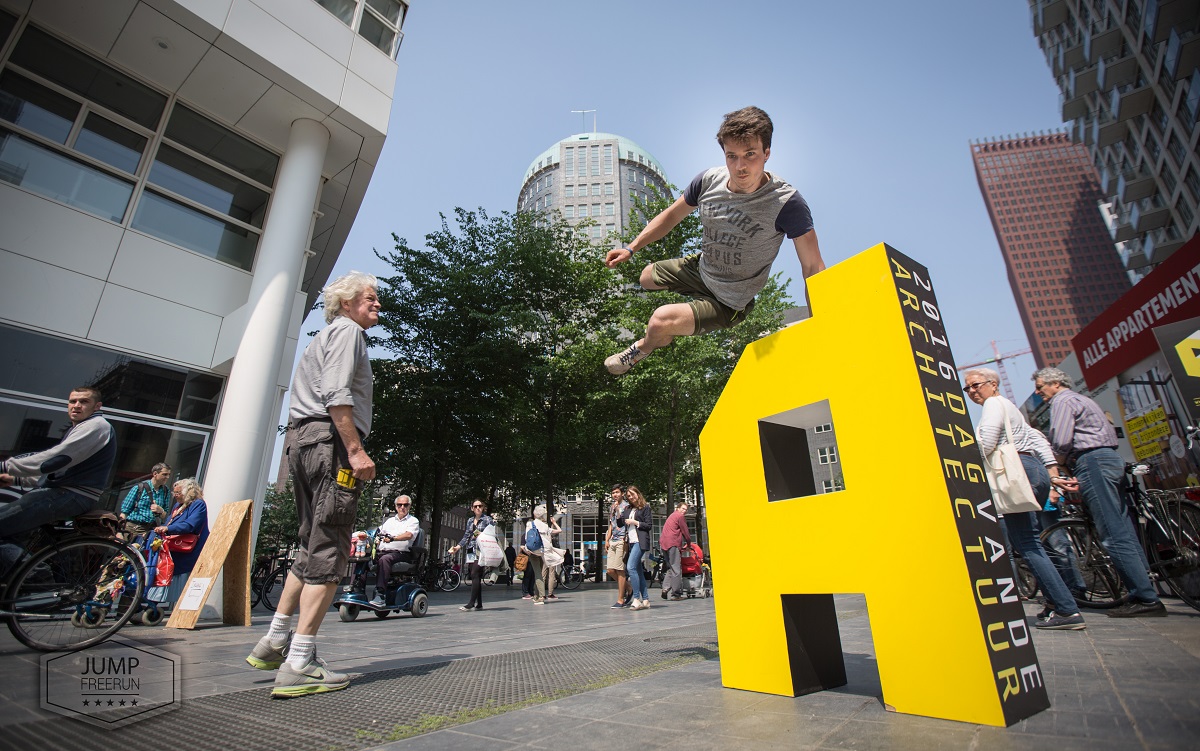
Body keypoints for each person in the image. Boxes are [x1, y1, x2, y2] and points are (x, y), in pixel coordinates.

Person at [603, 106, 826, 375]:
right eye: (732, 156)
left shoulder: (787, 203)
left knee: (660, 321)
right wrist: (631, 248)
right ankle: (670, 326)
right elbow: (671, 216)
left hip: (729, 301)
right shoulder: (708, 181)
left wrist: (821, 321)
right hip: (702, 268)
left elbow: (812, 267)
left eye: (750, 155)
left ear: (767, 153)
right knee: (645, 277)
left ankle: (643, 348)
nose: (740, 166)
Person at [245, 271, 380, 697]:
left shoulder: (318, 340)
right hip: (331, 444)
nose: (377, 305)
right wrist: (355, 450)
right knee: (332, 545)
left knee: (309, 542)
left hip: (301, 442)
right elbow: (338, 394)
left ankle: (276, 639)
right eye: (370, 299)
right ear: (347, 303)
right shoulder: (348, 334)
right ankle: (299, 662)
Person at [1033, 367, 1166, 618]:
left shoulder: (1062, 401)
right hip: (1109, 459)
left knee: (1112, 533)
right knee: (1124, 528)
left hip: (1091, 462)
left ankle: (1145, 598)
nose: (1039, 392)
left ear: (1055, 383)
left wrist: (1056, 465)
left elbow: (1061, 441)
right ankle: (1146, 590)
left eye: (1041, 386)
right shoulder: (1083, 399)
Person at [964, 369, 1085, 630]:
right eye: (968, 389)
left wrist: (962, 457)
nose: (972, 391)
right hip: (1032, 469)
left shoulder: (994, 404)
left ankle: (1067, 609)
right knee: (1033, 540)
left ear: (992, 384)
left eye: (975, 385)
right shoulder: (1010, 407)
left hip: (1017, 471)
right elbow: (1036, 438)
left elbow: (986, 444)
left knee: (1026, 543)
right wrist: (1051, 472)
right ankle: (1054, 605)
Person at [0, 387, 116, 541]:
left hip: (70, 495)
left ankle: (37, 567)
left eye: (84, 401)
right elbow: (61, 472)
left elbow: (55, 459)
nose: (76, 405)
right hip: (67, 492)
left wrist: (5, 466)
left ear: (97, 406)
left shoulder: (97, 425)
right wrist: (15, 479)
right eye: (72, 401)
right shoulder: (81, 427)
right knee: (9, 535)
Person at [149, 477, 210, 608]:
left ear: (189, 492)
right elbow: (170, 521)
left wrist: (168, 529)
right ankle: (153, 603)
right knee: (162, 570)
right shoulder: (178, 505)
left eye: (178, 493)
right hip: (175, 546)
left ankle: (158, 605)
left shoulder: (198, 504)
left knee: (177, 574)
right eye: (174, 493)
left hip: (188, 548)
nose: (175, 496)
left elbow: (190, 525)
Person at [370, 494, 420, 606]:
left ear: (409, 506)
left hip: (401, 554)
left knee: (385, 559)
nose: (402, 507)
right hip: (382, 551)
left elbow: (408, 535)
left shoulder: (413, 521)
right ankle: (356, 588)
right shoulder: (389, 521)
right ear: (396, 506)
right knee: (361, 559)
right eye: (399, 505)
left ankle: (380, 595)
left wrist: (393, 538)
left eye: (405, 505)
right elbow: (379, 533)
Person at [449, 499, 494, 611]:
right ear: (472, 508)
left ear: (483, 507)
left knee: (474, 573)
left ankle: (471, 603)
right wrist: (457, 547)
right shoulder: (470, 520)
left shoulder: (488, 519)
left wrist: (478, 534)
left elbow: (492, 534)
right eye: (475, 506)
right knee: (475, 576)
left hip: (482, 550)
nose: (478, 508)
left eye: (480, 506)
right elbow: (466, 536)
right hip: (471, 550)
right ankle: (479, 604)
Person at [119, 462, 171, 541]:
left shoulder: (166, 491)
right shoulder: (139, 488)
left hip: (152, 531)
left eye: (169, 475)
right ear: (155, 474)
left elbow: (164, 515)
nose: (167, 477)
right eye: (164, 474)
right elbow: (125, 512)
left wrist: (161, 511)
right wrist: (119, 531)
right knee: (127, 553)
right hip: (134, 529)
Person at [522, 504, 562, 605]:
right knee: (538, 573)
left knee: (538, 574)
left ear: (535, 514)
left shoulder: (530, 524)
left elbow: (527, 538)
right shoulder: (545, 526)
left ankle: (541, 597)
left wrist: (526, 549)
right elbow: (559, 531)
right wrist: (554, 522)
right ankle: (536, 596)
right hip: (542, 551)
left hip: (532, 551)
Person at [623, 485, 654, 610]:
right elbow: (621, 522)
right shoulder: (628, 509)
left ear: (637, 493)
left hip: (640, 542)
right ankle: (645, 599)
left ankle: (636, 599)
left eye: (632, 494)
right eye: (628, 496)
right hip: (631, 542)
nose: (631, 497)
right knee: (638, 571)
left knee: (630, 567)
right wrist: (617, 511)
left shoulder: (645, 507)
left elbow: (649, 525)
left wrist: (635, 522)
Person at [603, 484, 632, 608]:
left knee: (620, 569)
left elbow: (623, 523)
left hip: (622, 539)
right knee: (610, 570)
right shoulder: (611, 507)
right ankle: (629, 588)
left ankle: (620, 599)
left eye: (617, 492)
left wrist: (618, 510)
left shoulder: (626, 507)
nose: (615, 495)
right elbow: (611, 524)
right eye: (613, 492)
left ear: (622, 493)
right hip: (613, 540)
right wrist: (607, 539)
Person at [659, 500, 692, 601]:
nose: (684, 511)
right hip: (673, 543)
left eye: (686, 510)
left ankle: (665, 588)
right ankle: (676, 594)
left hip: (664, 544)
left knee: (671, 567)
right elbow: (685, 532)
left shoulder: (672, 516)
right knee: (676, 569)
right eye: (683, 509)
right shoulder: (679, 516)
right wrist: (689, 544)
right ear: (677, 508)